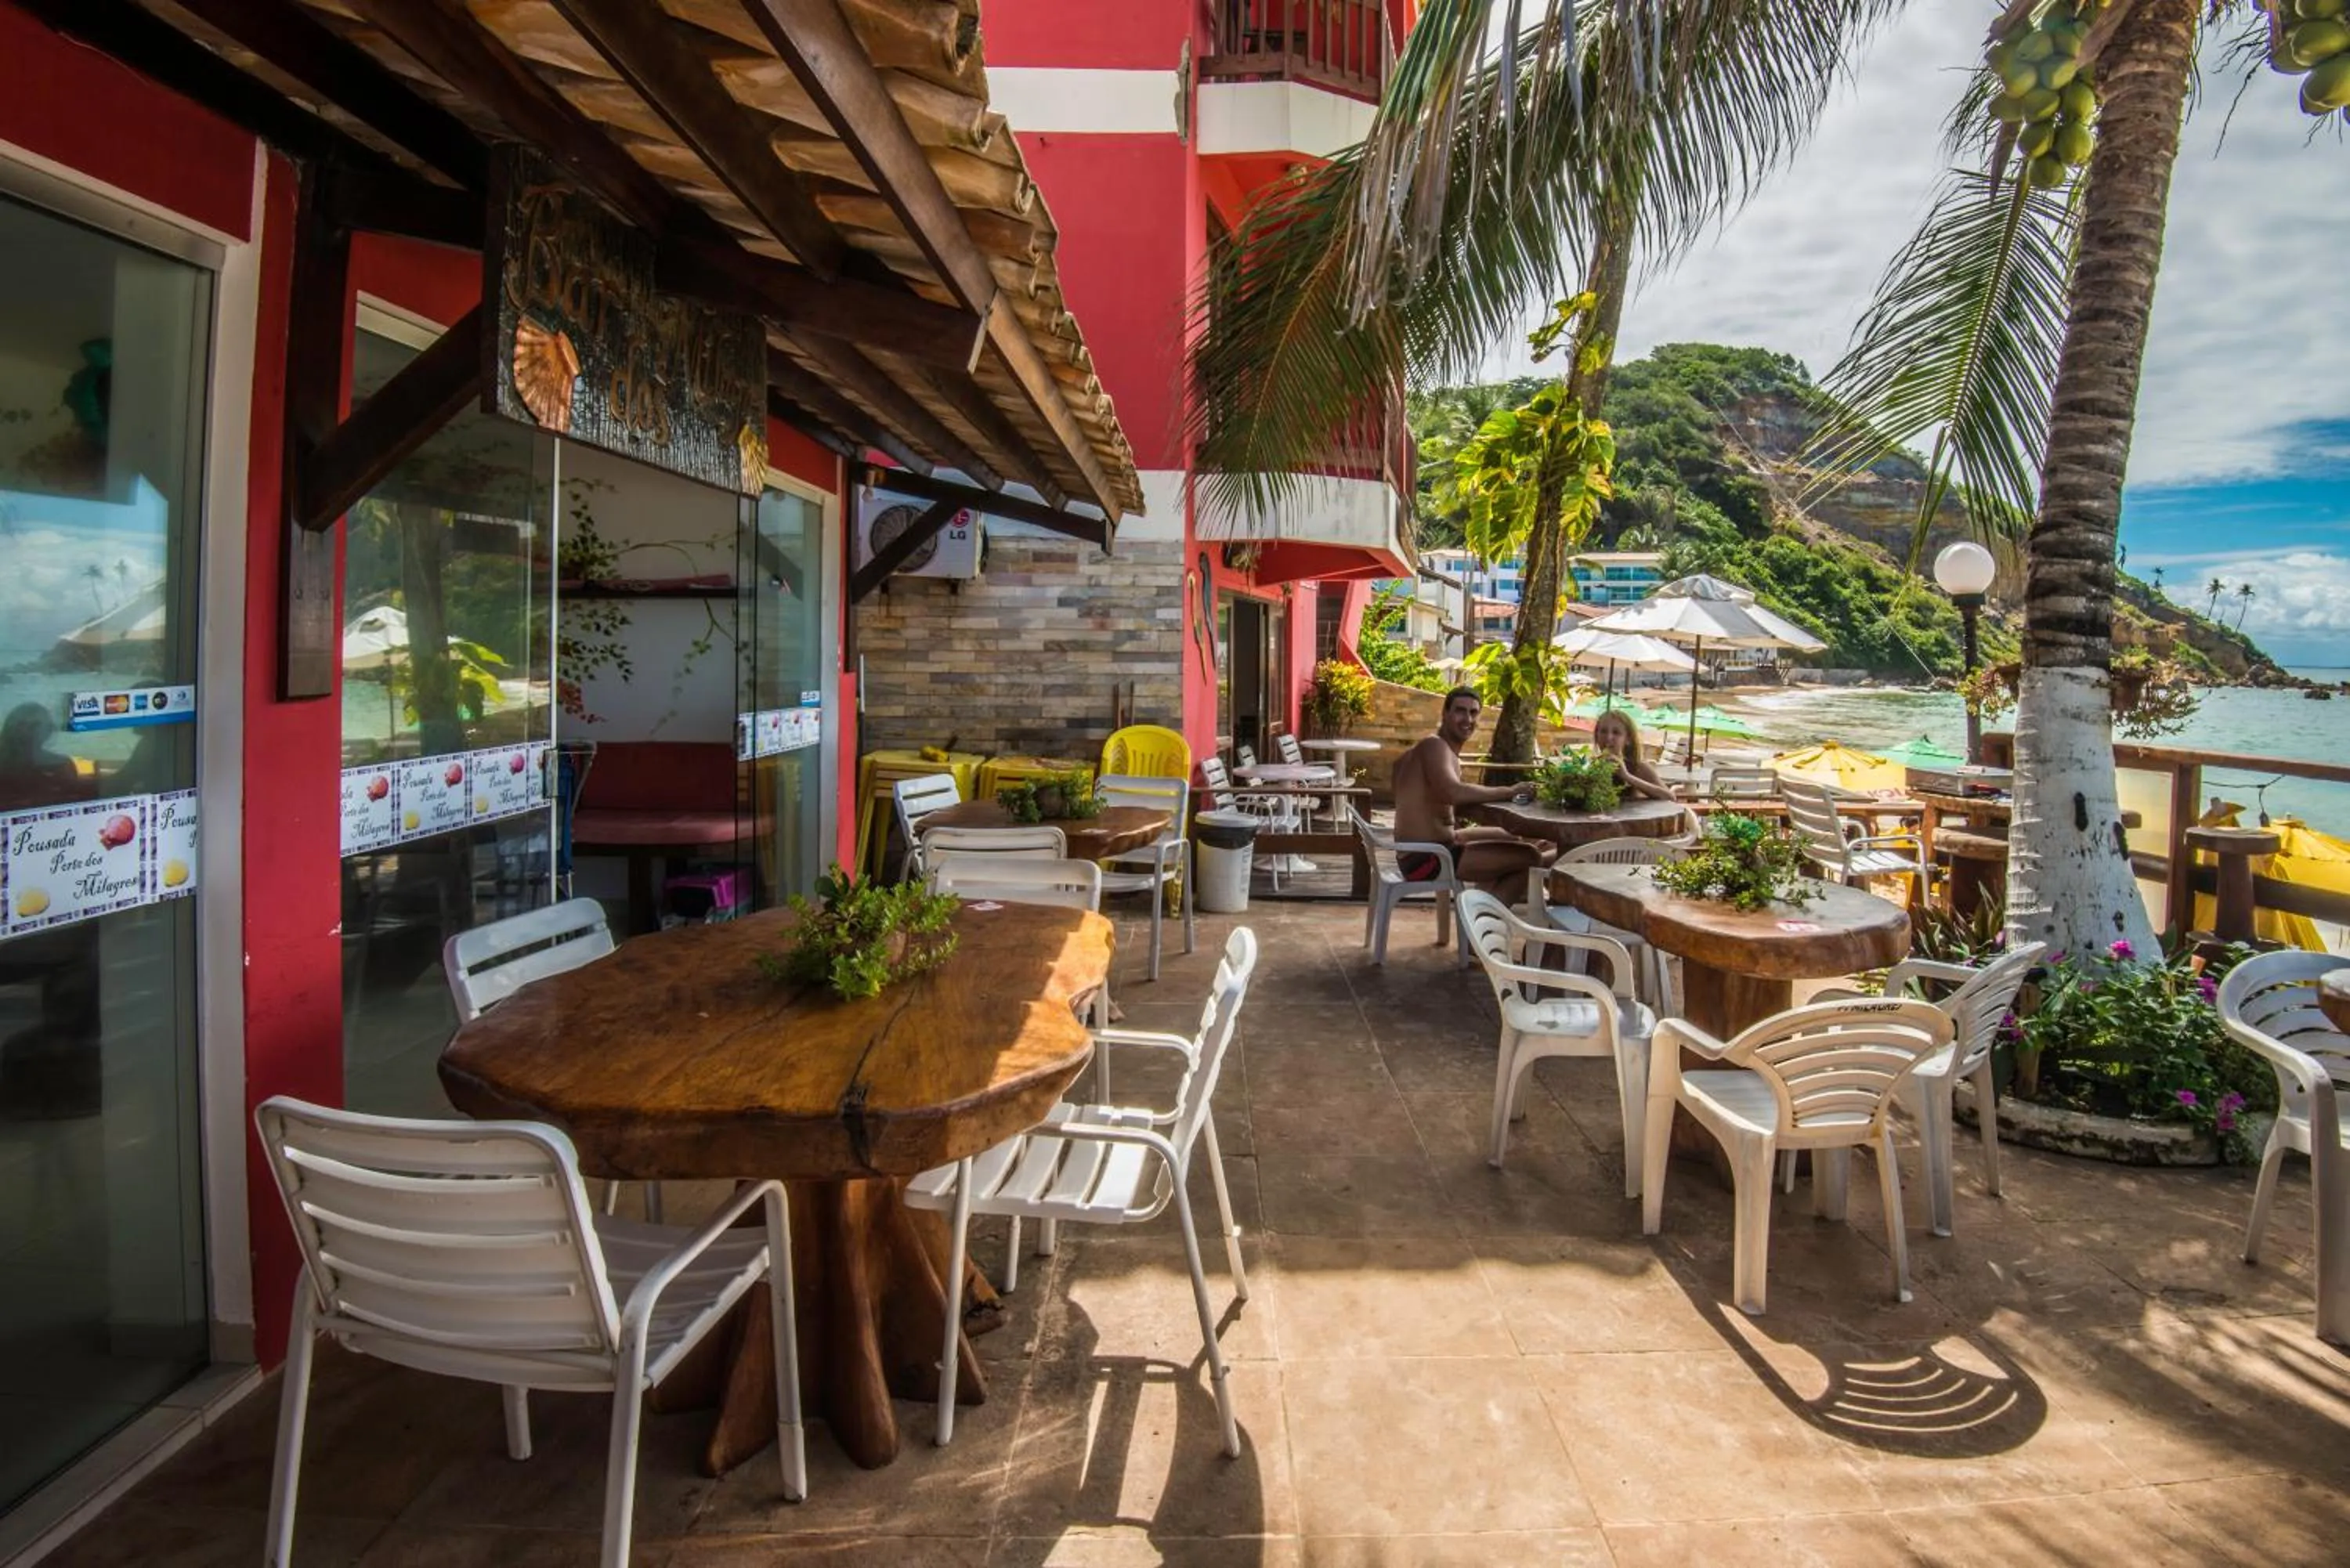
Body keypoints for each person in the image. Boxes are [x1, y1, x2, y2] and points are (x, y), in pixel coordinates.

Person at [1390, 686, 1556, 905]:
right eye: (1460, 711)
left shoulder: (1422, 752)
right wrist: (1511, 791)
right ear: (1445, 713)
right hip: (1428, 859)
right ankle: (1480, 923)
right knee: (1530, 857)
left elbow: (1436, 803)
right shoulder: (1434, 746)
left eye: (1473, 713)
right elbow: (1452, 792)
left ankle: (1489, 899)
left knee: (1517, 838)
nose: (1467, 719)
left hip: (1425, 850)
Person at [1591, 709, 1676, 803]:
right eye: (1603, 731)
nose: (1608, 737)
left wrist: (1627, 776)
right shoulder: (1592, 766)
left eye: (1616, 733)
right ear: (1596, 735)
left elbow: (1670, 798)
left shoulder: (1637, 767)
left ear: (1628, 739)